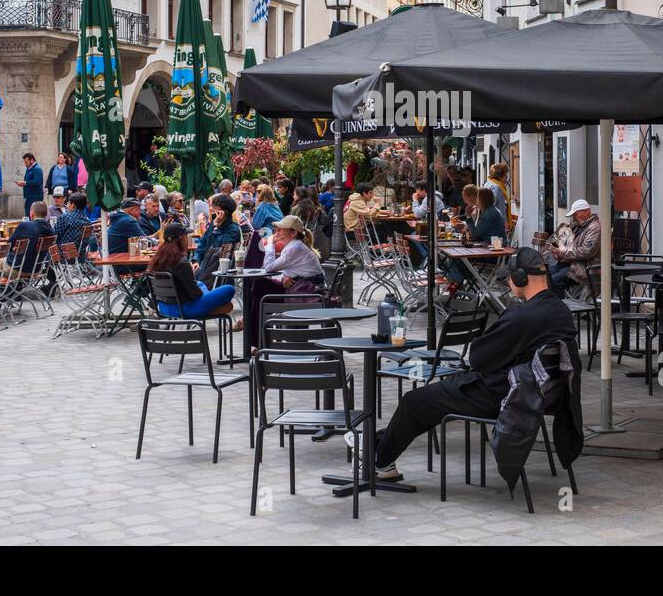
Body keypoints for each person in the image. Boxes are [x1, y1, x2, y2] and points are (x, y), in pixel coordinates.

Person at [373, 247, 578, 481]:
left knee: (414, 401)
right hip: (536, 396)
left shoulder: (524, 316)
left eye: (510, 277)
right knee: (430, 401)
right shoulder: (560, 311)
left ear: (520, 278)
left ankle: (380, 460)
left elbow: (479, 357)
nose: (509, 282)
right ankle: (379, 443)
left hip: (503, 395)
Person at [243, 215, 326, 353]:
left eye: (281, 229)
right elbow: (292, 270)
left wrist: (269, 244)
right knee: (260, 286)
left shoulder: (295, 247)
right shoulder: (295, 246)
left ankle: (256, 337)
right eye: (276, 229)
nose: (277, 232)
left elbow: (268, 267)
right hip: (302, 289)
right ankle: (256, 336)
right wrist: (285, 276)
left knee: (260, 288)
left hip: (306, 295)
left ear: (293, 233)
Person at [147, 224, 237, 319]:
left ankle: (209, 308)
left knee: (200, 283)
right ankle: (208, 309)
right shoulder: (181, 262)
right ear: (181, 238)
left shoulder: (158, 259)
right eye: (186, 236)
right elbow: (196, 294)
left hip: (163, 307)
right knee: (229, 289)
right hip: (184, 308)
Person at [545, 199, 600, 291]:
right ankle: (556, 303)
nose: (573, 218)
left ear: (586, 212)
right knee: (546, 275)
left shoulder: (594, 228)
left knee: (554, 280)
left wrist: (563, 252)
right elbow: (570, 247)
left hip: (585, 268)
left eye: (575, 214)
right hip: (573, 264)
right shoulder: (578, 226)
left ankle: (558, 304)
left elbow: (586, 251)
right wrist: (558, 253)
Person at [2, 201, 56, 276]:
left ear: (31, 213)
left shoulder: (25, 225)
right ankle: (12, 286)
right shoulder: (51, 231)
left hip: (16, 268)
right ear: (46, 214)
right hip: (36, 270)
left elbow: (8, 246)